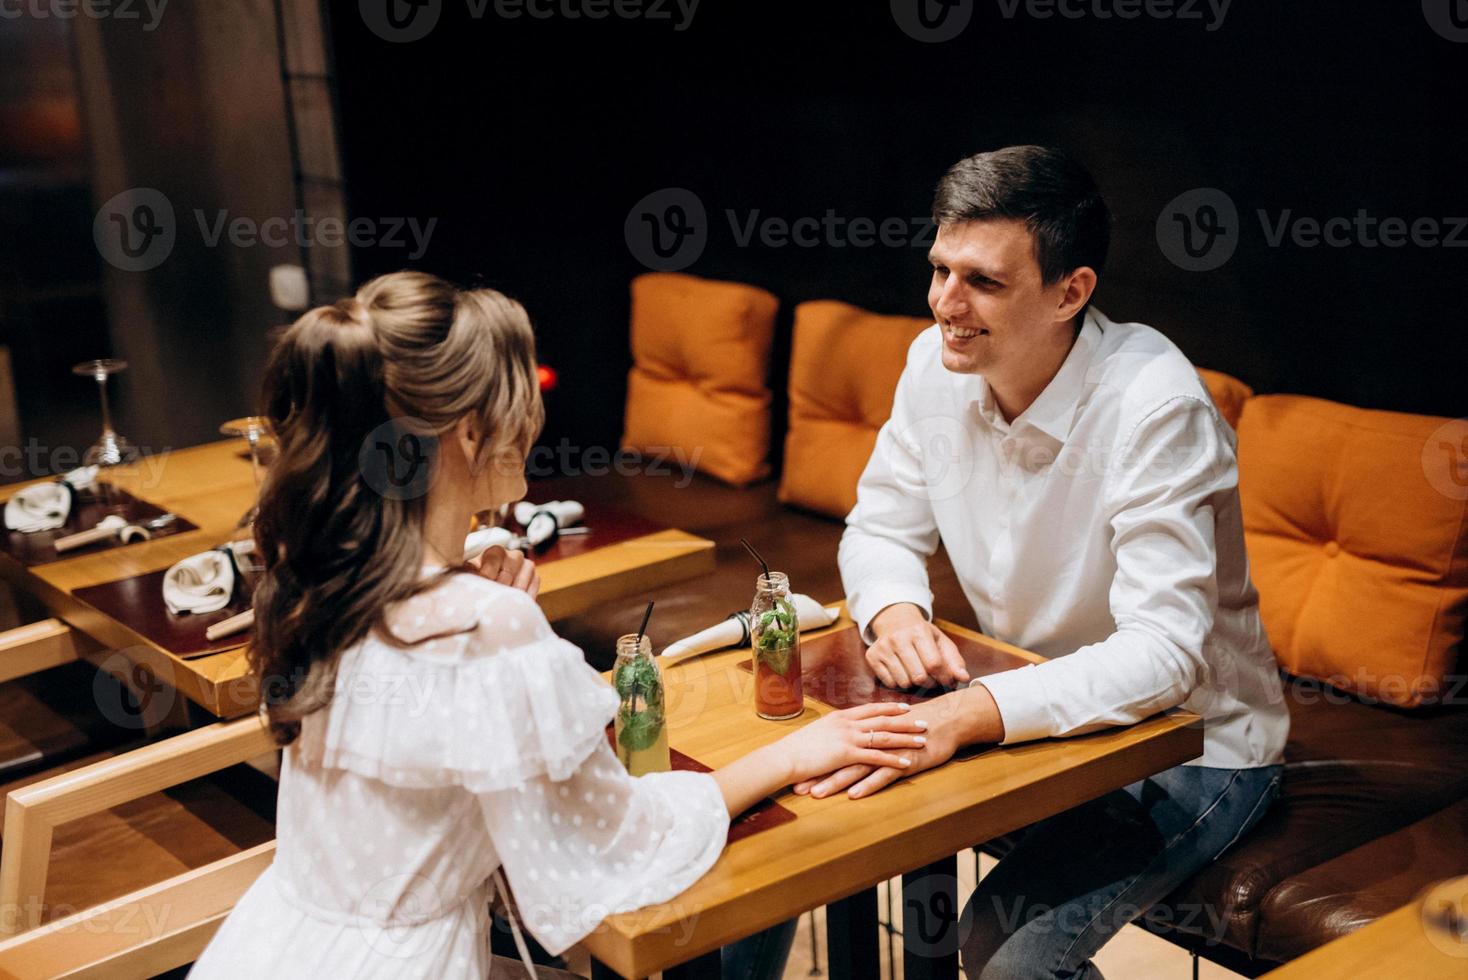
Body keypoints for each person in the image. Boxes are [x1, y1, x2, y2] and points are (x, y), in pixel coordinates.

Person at [189, 271, 929, 979]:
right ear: (472, 433)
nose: (536, 420)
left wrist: (490, 613)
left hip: (273, 946)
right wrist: (791, 756)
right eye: (523, 397)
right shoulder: (485, 622)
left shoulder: (313, 581)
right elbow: (615, 850)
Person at [805, 146, 1290, 979]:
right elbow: (881, 524)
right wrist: (895, 614)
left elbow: (1165, 655)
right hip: (1037, 720)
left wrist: (965, 714)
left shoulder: (1154, 407)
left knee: (1004, 954)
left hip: (1195, 745)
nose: (945, 305)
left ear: (1073, 292)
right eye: (939, 269)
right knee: (809, 828)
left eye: (983, 282)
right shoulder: (934, 364)